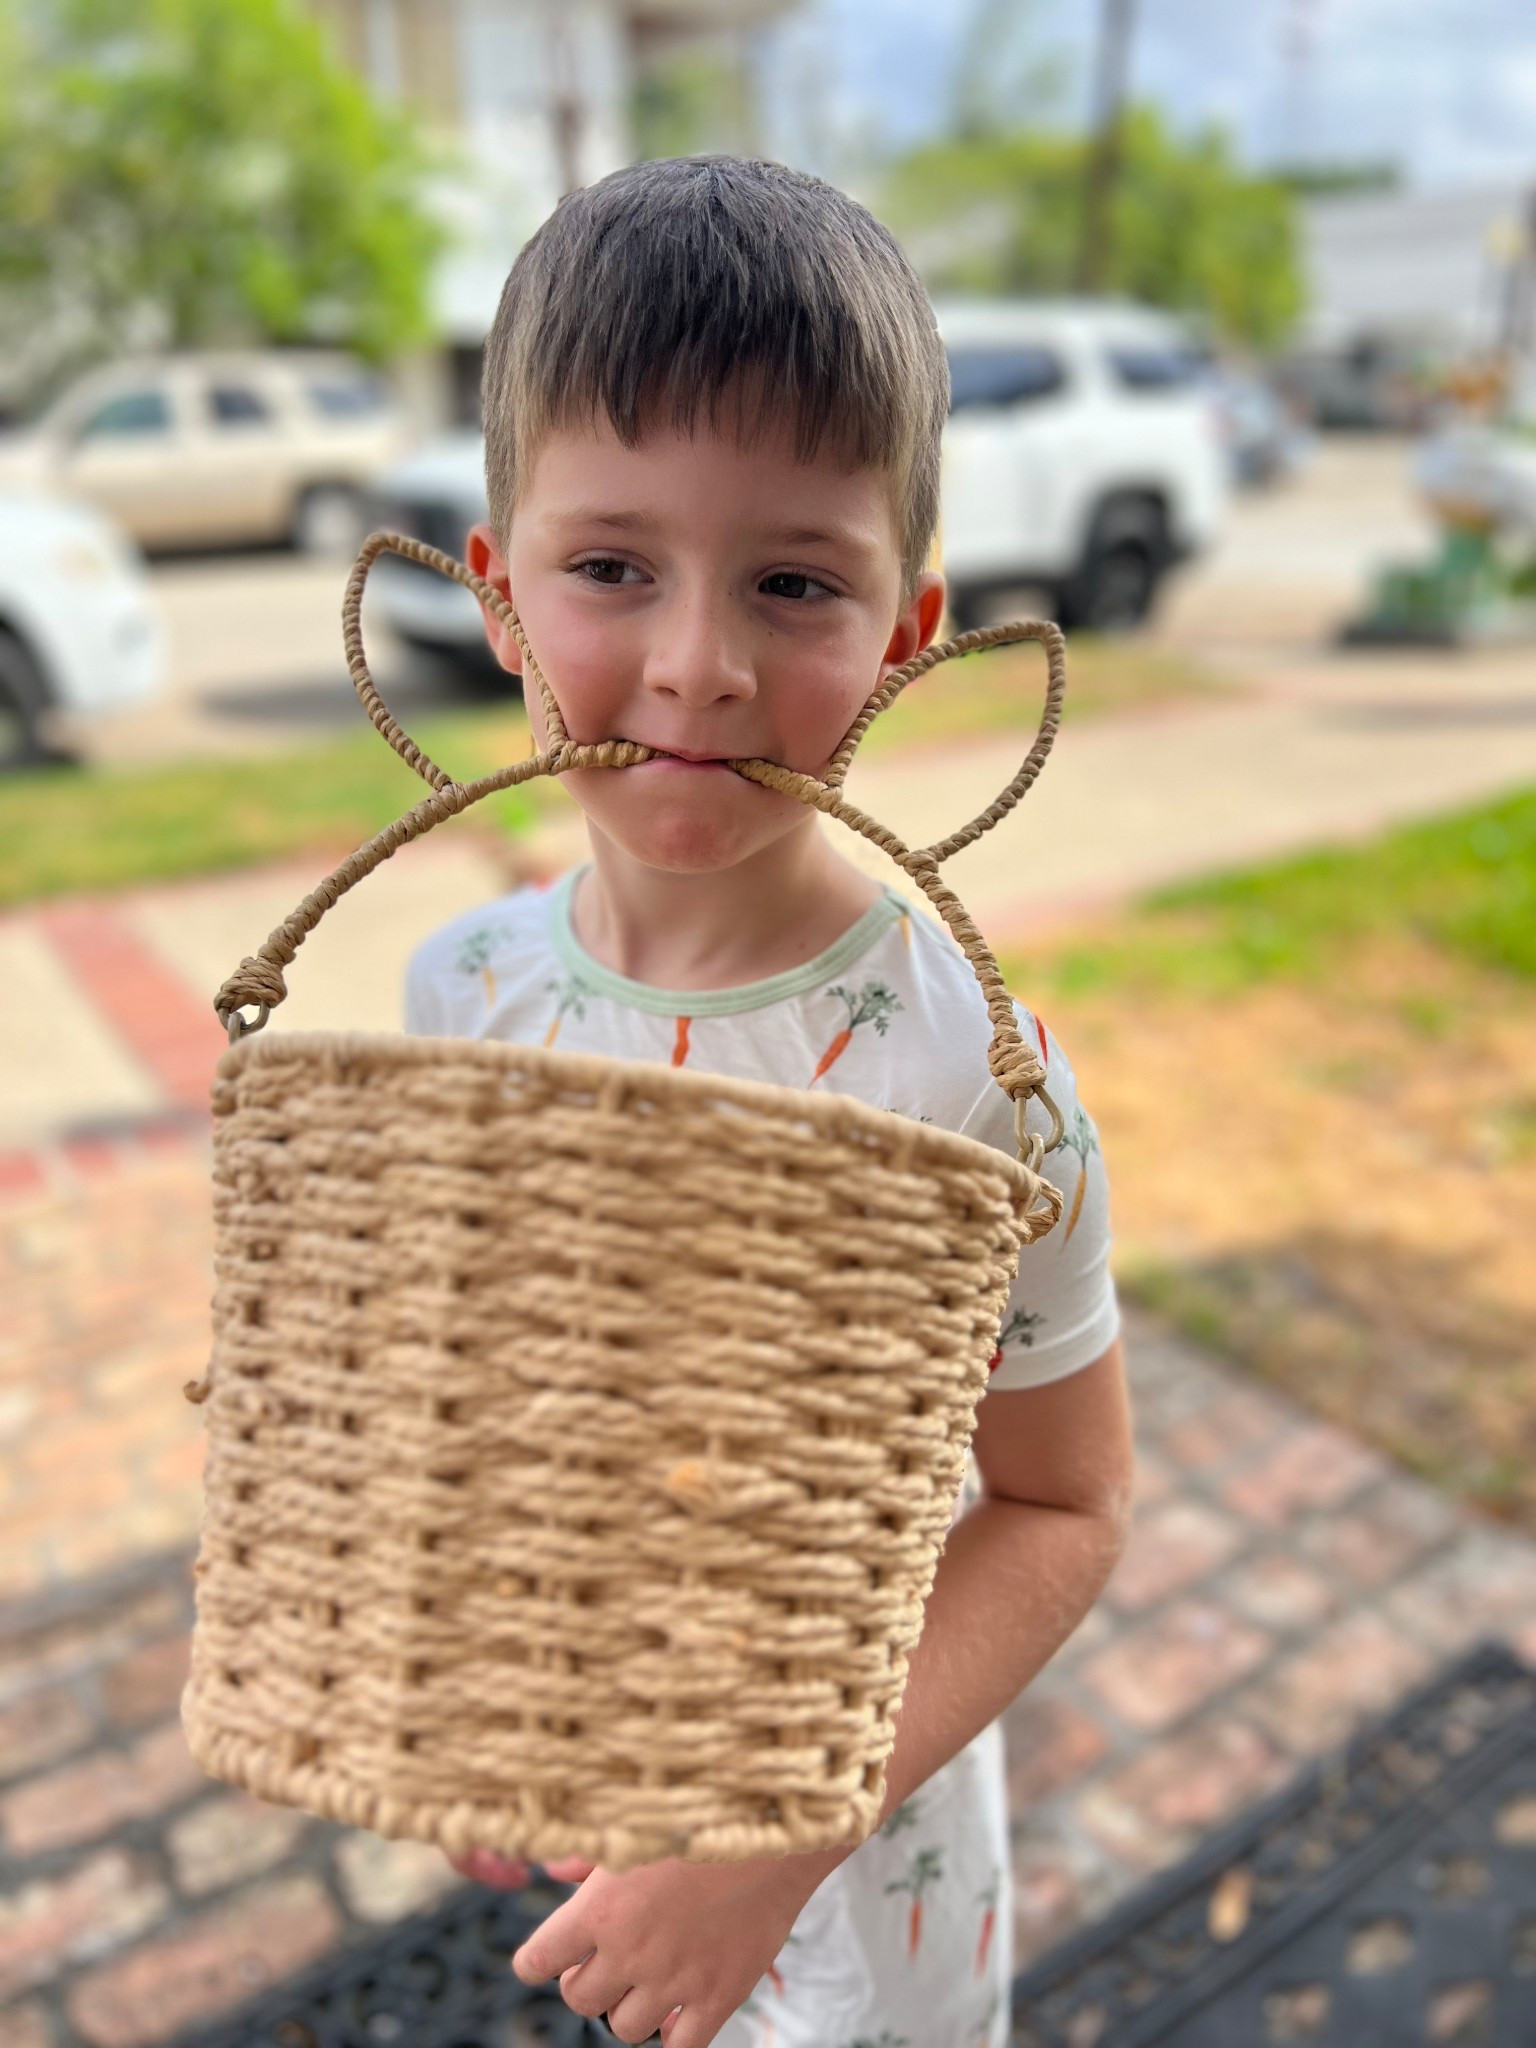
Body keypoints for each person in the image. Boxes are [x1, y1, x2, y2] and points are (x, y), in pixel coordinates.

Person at [404, 154, 1134, 2048]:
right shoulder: (459, 997)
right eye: (611, 565)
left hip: (853, 1870)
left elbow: (1064, 1505)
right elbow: (499, 1393)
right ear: (497, 591)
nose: (697, 665)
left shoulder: (970, 1078)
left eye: (794, 581)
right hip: (592, 1777)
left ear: (907, 627)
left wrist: (774, 1830)